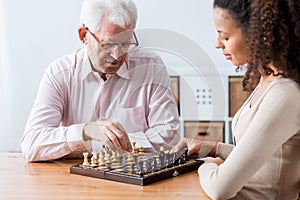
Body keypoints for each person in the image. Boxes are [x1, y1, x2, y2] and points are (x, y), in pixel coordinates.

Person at [21, 0, 180, 162]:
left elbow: (169, 137)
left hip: (136, 180)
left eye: (125, 44)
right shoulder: (59, 73)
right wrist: (85, 130)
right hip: (75, 182)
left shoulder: (151, 67)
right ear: (84, 35)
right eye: (108, 44)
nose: (117, 55)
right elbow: (32, 144)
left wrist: (96, 145)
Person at [172, 0, 300, 199]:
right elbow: (262, 159)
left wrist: (209, 166)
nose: (217, 43)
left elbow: (219, 189)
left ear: (259, 34)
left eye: (225, 36)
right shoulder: (267, 80)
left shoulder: (284, 94)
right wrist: (213, 148)